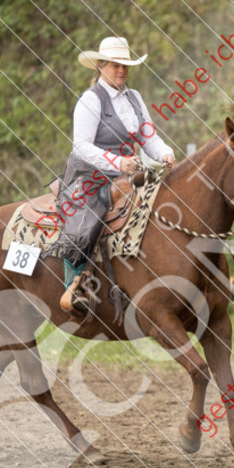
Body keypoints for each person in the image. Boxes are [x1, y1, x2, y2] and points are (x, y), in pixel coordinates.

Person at [53, 36, 176, 313]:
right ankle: (76, 282)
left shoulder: (135, 98)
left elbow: (148, 137)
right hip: (89, 174)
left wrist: (165, 153)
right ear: (100, 66)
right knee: (90, 212)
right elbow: (81, 146)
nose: (121, 71)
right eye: (114, 65)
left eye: (125, 66)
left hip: (126, 173)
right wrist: (117, 163)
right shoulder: (90, 99)